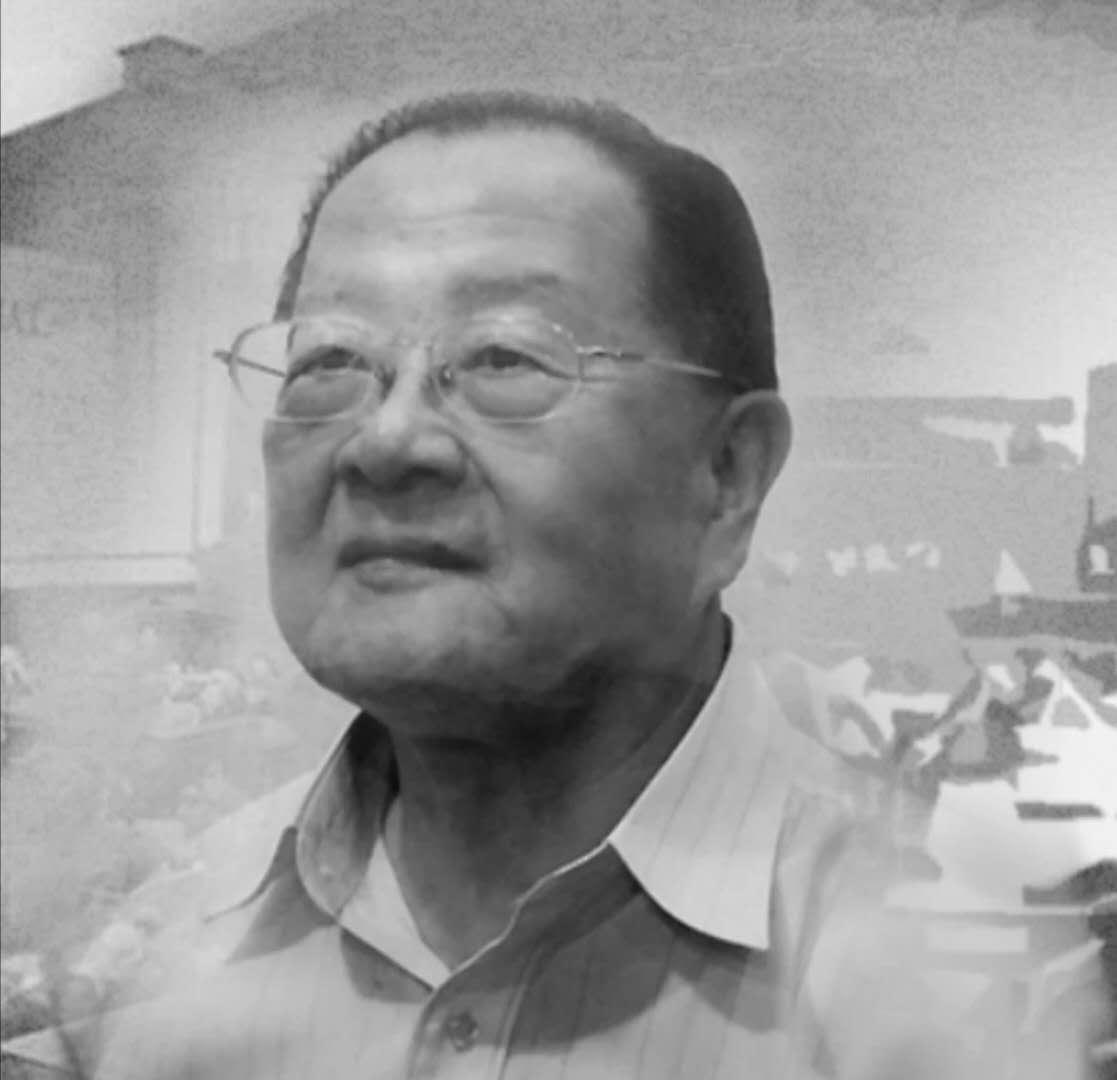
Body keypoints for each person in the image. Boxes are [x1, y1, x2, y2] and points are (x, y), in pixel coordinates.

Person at [3, 90, 1082, 1080]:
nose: (387, 441)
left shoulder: (957, 990)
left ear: (726, 476)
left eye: (504, 358)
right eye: (328, 361)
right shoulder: (172, 949)